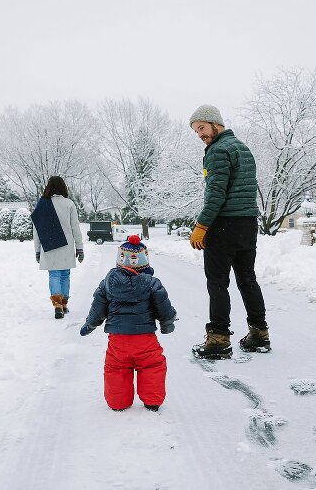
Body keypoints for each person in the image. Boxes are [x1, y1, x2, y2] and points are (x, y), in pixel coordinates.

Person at [187, 104, 270, 359]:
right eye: (196, 131)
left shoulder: (217, 150)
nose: (199, 134)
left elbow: (215, 193)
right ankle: (259, 334)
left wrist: (201, 226)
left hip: (223, 225)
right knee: (247, 279)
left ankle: (218, 339)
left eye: (201, 127)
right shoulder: (242, 148)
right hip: (247, 223)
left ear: (215, 122)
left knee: (217, 282)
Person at [80, 234, 177, 412]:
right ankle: (152, 401)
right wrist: (167, 323)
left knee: (117, 367)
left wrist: (90, 325)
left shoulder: (107, 284)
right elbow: (164, 308)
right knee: (152, 365)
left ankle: (118, 403)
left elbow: (97, 308)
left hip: (118, 339)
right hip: (145, 338)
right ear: (144, 263)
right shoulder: (152, 284)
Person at [31, 176, 84, 319]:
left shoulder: (42, 204)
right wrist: (80, 248)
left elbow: (37, 230)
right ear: (63, 187)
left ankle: (57, 305)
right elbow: (75, 228)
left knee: (54, 275)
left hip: (49, 246)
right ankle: (64, 304)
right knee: (65, 275)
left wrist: (37, 250)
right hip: (66, 247)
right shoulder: (69, 204)